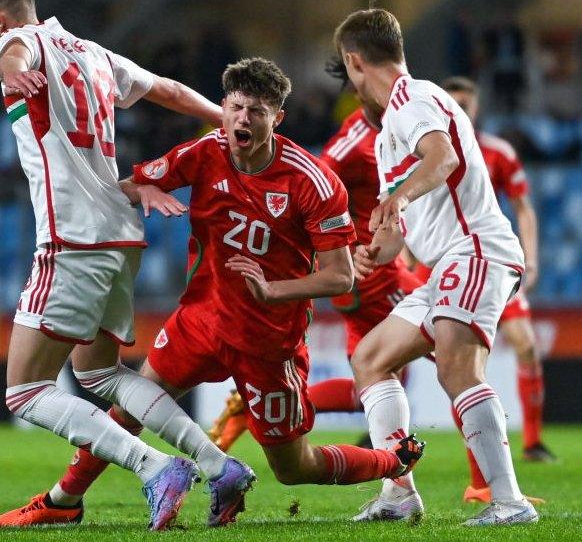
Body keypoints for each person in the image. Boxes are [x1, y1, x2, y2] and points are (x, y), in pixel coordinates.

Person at [36, 57, 425, 526]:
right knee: (131, 406)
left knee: (294, 468)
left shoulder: (312, 181)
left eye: (257, 111)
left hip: (268, 341)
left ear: (276, 119)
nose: (243, 119)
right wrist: (146, 192)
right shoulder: (203, 153)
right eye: (236, 107)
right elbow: (128, 184)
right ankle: (62, 502)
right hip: (199, 321)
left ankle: (393, 465)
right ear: (222, 108)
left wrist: (271, 289)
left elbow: (339, 277)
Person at [0, 0, 248, 531]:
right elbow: (170, 91)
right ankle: (218, 464)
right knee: (101, 375)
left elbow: (11, 55)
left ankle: (156, 468)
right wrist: (223, 121)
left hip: (71, 239)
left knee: (25, 391)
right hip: (121, 235)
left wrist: (14, 69)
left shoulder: (16, 42)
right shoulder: (93, 52)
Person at [334, 8, 537, 525]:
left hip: (476, 250)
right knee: (371, 359)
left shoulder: (414, 96)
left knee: (455, 367)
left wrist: (398, 199)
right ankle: (398, 492)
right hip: (445, 261)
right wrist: (375, 248)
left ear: (353, 61)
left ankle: (509, 502)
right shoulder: (384, 139)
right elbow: (401, 219)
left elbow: (441, 158)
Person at [208, 58, 422, 454]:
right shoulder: (347, 147)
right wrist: (338, 254)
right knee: (446, 334)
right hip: (364, 272)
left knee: (379, 377)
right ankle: (482, 483)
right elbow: (312, 198)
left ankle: (249, 408)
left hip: (381, 263)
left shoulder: (397, 131)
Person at [436, 77, 555, 503]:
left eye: (467, 102)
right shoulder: (431, 148)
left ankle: (533, 441)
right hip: (451, 265)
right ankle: (477, 479)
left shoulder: (498, 152)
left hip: (494, 263)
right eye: (454, 102)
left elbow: (524, 207)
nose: (462, 108)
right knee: (454, 367)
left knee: (525, 346)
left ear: (478, 106)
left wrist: (531, 257)